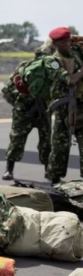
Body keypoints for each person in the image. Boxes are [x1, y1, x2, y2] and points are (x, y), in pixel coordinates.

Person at [1, 40, 55, 180]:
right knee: (17, 140)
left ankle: (48, 171)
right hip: (25, 111)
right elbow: (7, 89)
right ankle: (9, 169)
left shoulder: (53, 71)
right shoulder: (24, 67)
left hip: (42, 110)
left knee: (46, 142)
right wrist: (20, 104)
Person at [45, 27, 83, 184]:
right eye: (63, 42)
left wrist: (78, 38)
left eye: (68, 41)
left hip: (80, 105)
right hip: (63, 108)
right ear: (55, 44)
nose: (67, 45)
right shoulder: (52, 61)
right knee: (60, 145)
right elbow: (71, 80)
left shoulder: (76, 53)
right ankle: (54, 178)